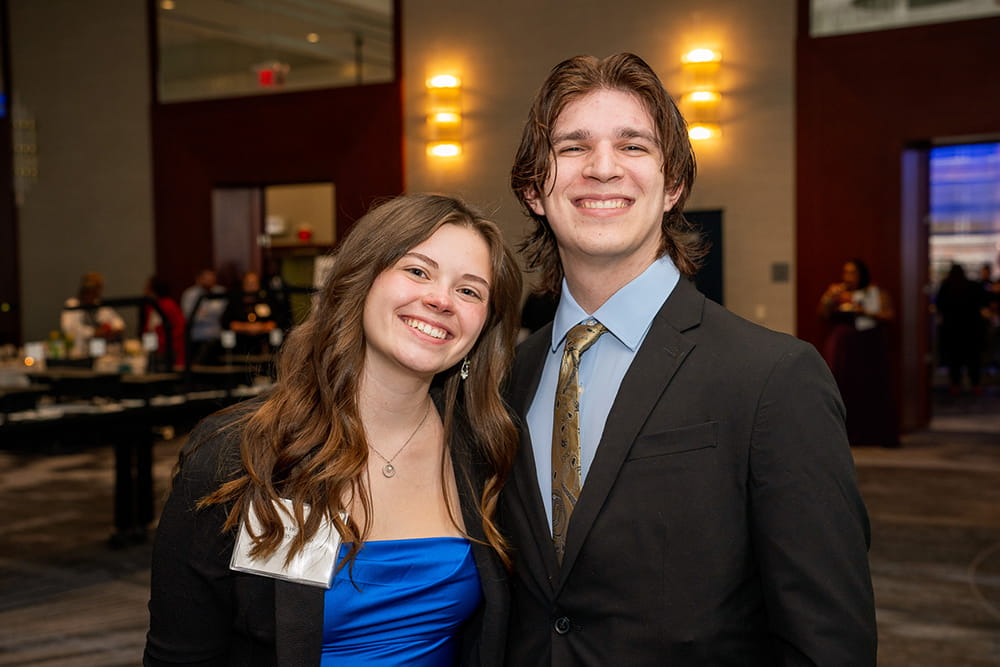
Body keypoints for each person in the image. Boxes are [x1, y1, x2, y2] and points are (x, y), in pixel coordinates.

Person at [502, 53, 877, 664]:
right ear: (533, 189)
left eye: (633, 146)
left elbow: (827, 636)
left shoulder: (772, 377)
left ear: (673, 185)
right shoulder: (508, 377)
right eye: (572, 147)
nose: (602, 168)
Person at [144, 194, 523, 666]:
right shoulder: (239, 455)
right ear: (359, 281)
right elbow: (182, 656)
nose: (441, 299)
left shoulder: (489, 454)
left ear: (484, 327)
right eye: (418, 271)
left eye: (469, 291)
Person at [818, 258, 898, 445]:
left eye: (853, 272)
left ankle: (871, 433)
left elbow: (888, 315)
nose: (848, 276)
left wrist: (863, 311)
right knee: (843, 387)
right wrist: (829, 297)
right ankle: (842, 433)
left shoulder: (875, 292)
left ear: (862, 274)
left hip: (868, 344)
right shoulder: (838, 292)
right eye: (845, 272)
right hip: (844, 347)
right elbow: (822, 314)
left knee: (868, 387)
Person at [935, 263, 989, 395]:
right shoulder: (973, 286)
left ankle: (955, 385)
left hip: (952, 330)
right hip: (972, 329)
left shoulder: (946, 287)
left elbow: (939, 306)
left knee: (955, 360)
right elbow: (985, 302)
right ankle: (975, 385)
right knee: (973, 359)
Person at [60, 271, 126, 357]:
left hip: (101, 354)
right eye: (94, 290)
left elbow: (118, 322)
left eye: (98, 290)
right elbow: (70, 329)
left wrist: (114, 330)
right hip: (79, 354)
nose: (96, 293)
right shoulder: (72, 305)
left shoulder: (101, 306)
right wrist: (94, 332)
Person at [180, 268, 228, 364]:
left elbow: (221, 313)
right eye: (206, 279)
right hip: (196, 338)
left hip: (216, 338)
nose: (209, 282)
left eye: (212, 279)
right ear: (199, 279)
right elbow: (190, 316)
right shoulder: (189, 294)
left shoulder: (221, 291)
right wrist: (211, 314)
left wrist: (203, 313)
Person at [142, 275, 186, 369]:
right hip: (155, 351)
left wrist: (162, 343)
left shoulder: (169, 305)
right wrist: (148, 347)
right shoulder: (150, 306)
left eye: (147, 287)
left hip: (170, 351)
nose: (145, 290)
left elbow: (180, 329)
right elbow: (148, 329)